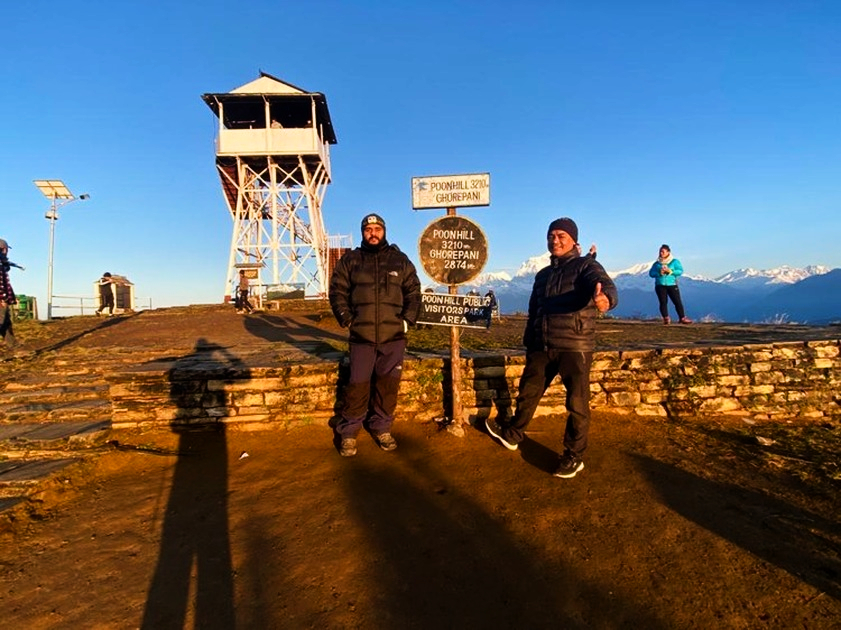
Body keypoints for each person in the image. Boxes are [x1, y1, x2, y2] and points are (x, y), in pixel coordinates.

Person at [485, 218, 618, 479]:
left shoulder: (586, 266)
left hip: (574, 345)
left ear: (573, 241)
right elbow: (536, 310)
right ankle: (513, 434)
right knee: (528, 392)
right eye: (551, 235)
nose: (555, 240)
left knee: (577, 403)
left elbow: (604, 284)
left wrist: (606, 299)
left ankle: (573, 456)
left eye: (561, 235)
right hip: (542, 345)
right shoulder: (542, 275)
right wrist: (530, 340)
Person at [329, 213, 421, 457]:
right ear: (362, 232)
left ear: (384, 231)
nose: (373, 233)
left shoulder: (400, 260)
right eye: (368, 229)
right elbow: (337, 290)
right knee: (357, 385)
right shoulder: (350, 260)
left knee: (388, 386)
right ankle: (349, 432)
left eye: (377, 229)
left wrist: (407, 320)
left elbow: (413, 291)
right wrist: (347, 318)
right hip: (362, 338)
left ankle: (382, 427)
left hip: (394, 338)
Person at [648, 244, 691, 324]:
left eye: (663, 252)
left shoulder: (674, 262)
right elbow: (651, 273)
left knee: (677, 301)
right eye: (660, 251)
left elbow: (680, 271)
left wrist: (671, 272)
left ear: (668, 252)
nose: (661, 253)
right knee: (663, 302)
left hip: (672, 284)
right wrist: (659, 273)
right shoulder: (657, 264)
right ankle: (666, 318)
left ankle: (682, 318)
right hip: (660, 285)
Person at [0, 238, 18, 349]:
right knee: (1, 321)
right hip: (1, 299)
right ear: (4, 249)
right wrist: (2, 297)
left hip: (3, 297)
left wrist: (12, 297)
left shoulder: (2, 264)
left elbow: (6, 284)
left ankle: (14, 345)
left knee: (5, 322)